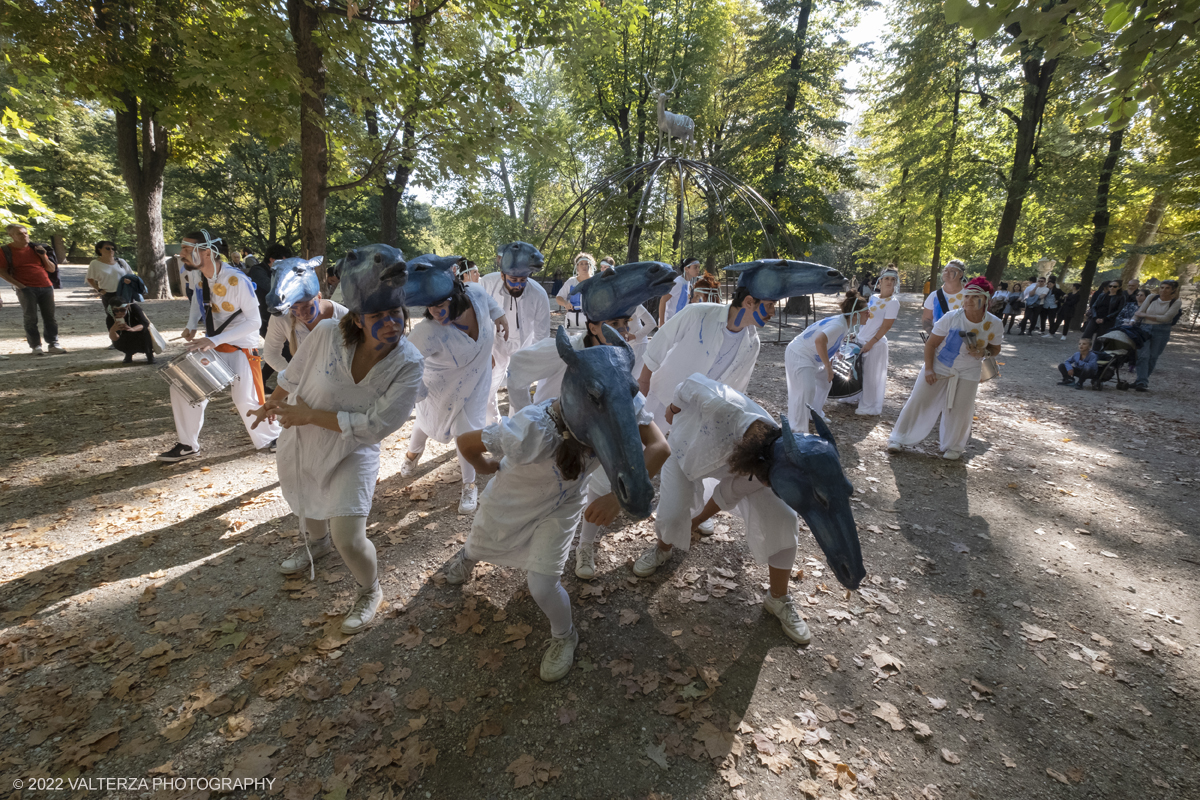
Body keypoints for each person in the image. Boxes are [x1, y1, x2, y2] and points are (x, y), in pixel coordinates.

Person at [445, 331, 670, 682]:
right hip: (513, 498)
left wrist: (615, 497)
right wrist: (486, 467)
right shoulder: (529, 429)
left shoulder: (621, 404)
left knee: (542, 584)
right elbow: (465, 442)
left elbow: (660, 448)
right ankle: (467, 556)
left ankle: (564, 636)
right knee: (481, 541)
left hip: (563, 504)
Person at [250, 270, 424, 635]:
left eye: (396, 314)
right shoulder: (328, 334)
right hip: (304, 438)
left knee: (349, 536)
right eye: (378, 316)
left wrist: (309, 414)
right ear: (358, 319)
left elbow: (377, 425)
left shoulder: (409, 363)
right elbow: (292, 376)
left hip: (354, 449)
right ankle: (316, 545)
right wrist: (273, 404)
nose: (391, 323)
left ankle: (369, 590)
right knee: (308, 501)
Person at [630, 375, 827, 644]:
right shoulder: (721, 404)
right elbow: (688, 383)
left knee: (784, 517)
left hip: (734, 466)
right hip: (683, 451)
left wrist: (697, 519)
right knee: (672, 514)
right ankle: (662, 549)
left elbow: (729, 492)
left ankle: (778, 598)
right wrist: (673, 408)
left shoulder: (771, 462)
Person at [157, 230, 280, 462]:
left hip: (241, 348)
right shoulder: (198, 274)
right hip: (213, 344)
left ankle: (274, 437)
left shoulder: (237, 280)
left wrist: (212, 340)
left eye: (186, 249)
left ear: (207, 252)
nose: (181, 254)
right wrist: (191, 324)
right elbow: (197, 298)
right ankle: (187, 445)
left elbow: (255, 321)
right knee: (184, 387)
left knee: (246, 399)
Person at [402, 277, 506, 514]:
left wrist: (499, 314)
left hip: (476, 379)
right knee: (426, 421)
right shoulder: (428, 331)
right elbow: (405, 362)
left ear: (457, 297)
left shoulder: (475, 294)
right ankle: (412, 455)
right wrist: (414, 392)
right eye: (430, 306)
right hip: (439, 386)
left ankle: (469, 484)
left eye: (440, 304)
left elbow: (489, 301)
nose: (435, 312)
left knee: (465, 431)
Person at [888, 277, 1002, 461]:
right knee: (919, 400)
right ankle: (898, 438)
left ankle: (954, 446)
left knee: (961, 409)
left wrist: (983, 351)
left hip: (969, 370)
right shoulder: (951, 317)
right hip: (940, 364)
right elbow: (931, 345)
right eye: (966, 296)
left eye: (974, 297)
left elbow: (996, 349)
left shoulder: (994, 323)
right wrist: (929, 370)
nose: (968, 301)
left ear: (985, 300)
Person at [639, 281, 774, 431]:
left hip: (695, 413)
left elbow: (736, 386)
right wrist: (644, 382)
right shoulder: (698, 313)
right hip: (661, 395)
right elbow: (661, 340)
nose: (773, 312)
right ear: (749, 301)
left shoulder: (752, 343)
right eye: (770, 305)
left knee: (676, 453)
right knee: (644, 447)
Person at [481, 244, 551, 424]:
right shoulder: (486, 284)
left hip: (524, 347)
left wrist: (533, 359)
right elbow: (477, 318)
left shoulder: (538, 294)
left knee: (520, 392)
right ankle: (493, 426)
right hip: (494, 344)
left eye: (523, 280)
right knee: (487, 388)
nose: (518, 285)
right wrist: (484, 352)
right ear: (502, 274)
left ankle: (515, 429)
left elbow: (542, 333)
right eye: (513, 280)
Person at [784, 292, 869, 430]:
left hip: (810, 355)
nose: (869, 314)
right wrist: (828, 367)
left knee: (824, 382)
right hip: (799, 354)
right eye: (866, 311)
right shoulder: (839, 325)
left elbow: (830, 340)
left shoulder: (844, 322)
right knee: (806, 390)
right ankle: (797, 429)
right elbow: (819, 340)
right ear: (855, 314)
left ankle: (814, 414)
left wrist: (836, 352)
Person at [0, 224, 65, 355]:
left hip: (46, 286)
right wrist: (20, 286)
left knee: (50, 317)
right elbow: (2, 272)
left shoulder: (37, 248)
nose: (24, 235)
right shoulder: (5, 251)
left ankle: (53, 344)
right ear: (11, 236)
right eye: (19, 233)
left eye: (25, 233)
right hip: (26, 288)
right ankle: (36, 346)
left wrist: (43, 255)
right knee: (30, 318)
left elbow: (51, 269)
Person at [846, 267, 901, 416]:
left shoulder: (893, 303)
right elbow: (865, 318)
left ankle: (869, 405)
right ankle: (854, 396)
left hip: (875, 344)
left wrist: (871, 342)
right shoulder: (874, 298)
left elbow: (886, 326)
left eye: (892, 280)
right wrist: (855, 334)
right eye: (887, 279)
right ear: (880, 281)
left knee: (871, 376)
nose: (889, 282)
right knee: (858, 372)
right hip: (861, 338)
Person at [264, 288, 347, 375]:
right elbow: (271, 353)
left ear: (319, 297)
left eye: (307, 306)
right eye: (294, 308)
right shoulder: (282, 317)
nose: (302, 314)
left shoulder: (343, 316)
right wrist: (291, 376)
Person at [1131, 280, 1183, 393]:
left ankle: (1141, 380)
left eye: (1167, 288)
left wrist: (1145, 315)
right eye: (1162, 287)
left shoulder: (1176, 302)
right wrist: (1132, 321)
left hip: (1162, 330)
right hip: (1144, 328)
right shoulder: (1151, 297)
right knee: (1143, 356)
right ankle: (1141, 382)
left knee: (1153, 357)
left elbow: (1166, 318)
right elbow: (1139, 312)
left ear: (1173, 290)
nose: (1164, 290)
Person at [86, 241, 133, 313]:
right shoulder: (95, 263)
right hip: (108, 294)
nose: (111, 250)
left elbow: (131, 276)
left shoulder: (121, 261)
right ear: (100, 250)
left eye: (113, 249)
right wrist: (99, 290)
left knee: (128, 315)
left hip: (124, 293)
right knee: (112, 316)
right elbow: (90, 279)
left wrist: (129, 281)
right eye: (107, 248)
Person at [921, 260, 965, 337]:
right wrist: (933, 335)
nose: (947, 273)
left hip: (964, 344)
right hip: (939, 346)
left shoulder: (969, 295)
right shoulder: (934, 296)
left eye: (952, 271)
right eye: (945, 270)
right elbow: (926, 320)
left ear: (960, 274)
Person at [106, 299, 156, 364]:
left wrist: (132, 329)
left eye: (122, 310)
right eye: (116, 311)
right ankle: (128, 353)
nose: (119, 313)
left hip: (140, 333)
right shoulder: (110, 317)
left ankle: (149, 355)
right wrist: (112, 330)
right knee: (119, 340)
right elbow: (115, 339)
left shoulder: (134, 308)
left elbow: (145, 324)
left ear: (127, 307)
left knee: (146, 332)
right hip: (124, 336)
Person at [658, 256, 701, 326]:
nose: (698, 270)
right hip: (670, 322)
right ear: (686, 269)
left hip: (681, 322)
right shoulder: (677, 283)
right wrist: (662, 322)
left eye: (699, 267)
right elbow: (663, 300)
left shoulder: (688, 283)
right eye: (695, 267)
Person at [555, 252, 594, 328]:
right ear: (577, 266)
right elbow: (558, 298)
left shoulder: (595, 282)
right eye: (581, 264)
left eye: (587, 264)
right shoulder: (571, 282)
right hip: (572, 321)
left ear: (591, 266)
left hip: (590, 321)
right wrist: (565, 303)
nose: (584, 266)